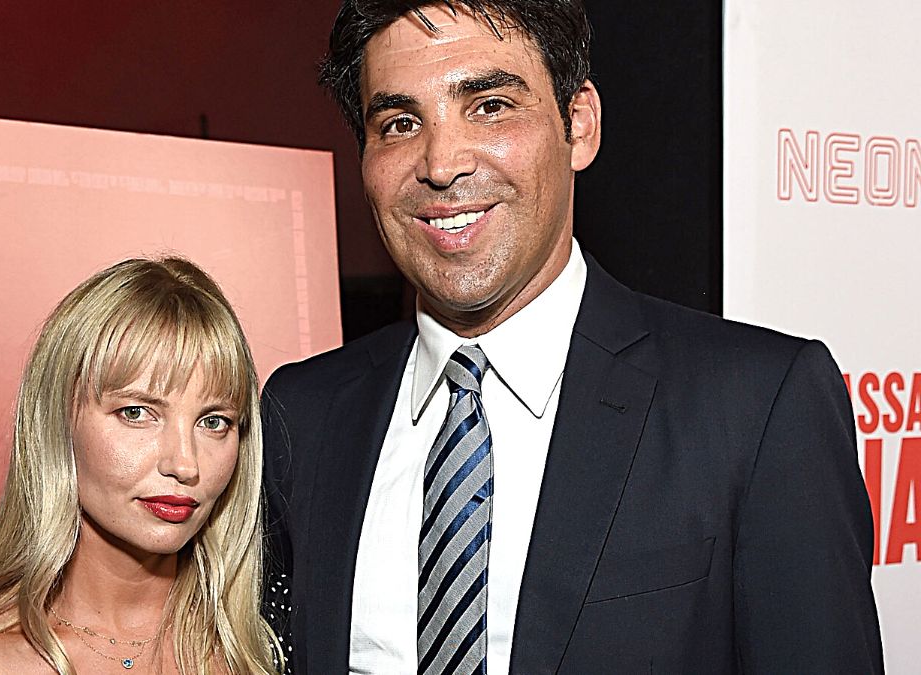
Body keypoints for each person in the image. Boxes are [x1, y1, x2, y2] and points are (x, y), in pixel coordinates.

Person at [261, 1, 883, 673]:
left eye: (490, 106)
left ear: (578, 124)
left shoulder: (756, 408)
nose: (441, 163)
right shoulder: (304, 414)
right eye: (400, 122)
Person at [0, 257, 286, 674]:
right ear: (57, 422)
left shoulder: (282, 627)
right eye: (136, 412)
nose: (185, 464)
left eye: (213, 422)